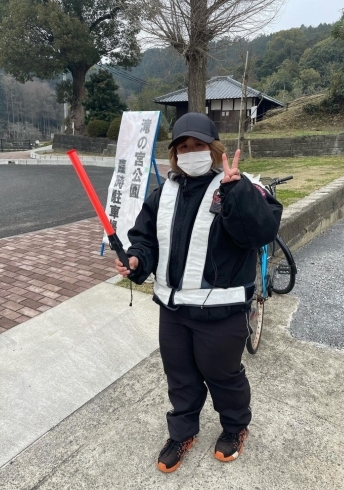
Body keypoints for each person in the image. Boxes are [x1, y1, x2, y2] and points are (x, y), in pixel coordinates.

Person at [115, 112, 282, 473]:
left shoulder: (240, 185)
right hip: (174, 312)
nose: (191, 152)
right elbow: (146, 240)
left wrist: (236, 191)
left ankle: (235, 428)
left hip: (221, 313)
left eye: (199, 146)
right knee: (180, 376)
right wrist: (136, 260)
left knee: (223, 375)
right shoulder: (164, 193)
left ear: (214, 148)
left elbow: (262, 231)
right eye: (184, 147)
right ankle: (182, 432)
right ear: (175, 154)